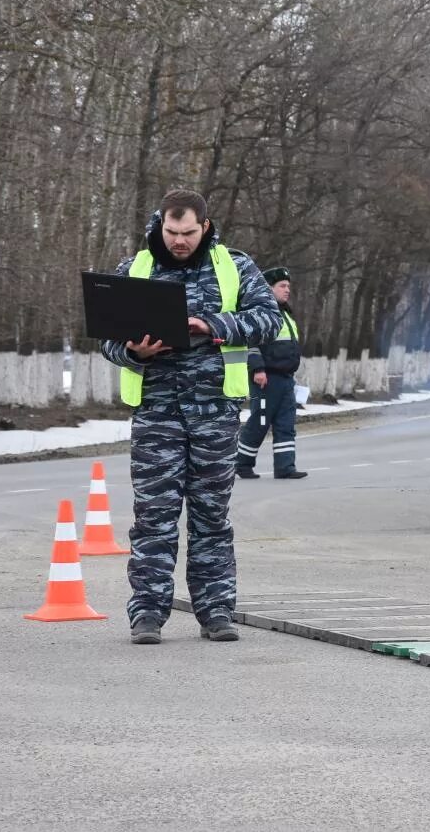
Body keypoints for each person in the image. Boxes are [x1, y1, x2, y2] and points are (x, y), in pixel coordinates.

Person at [100, 189, 282, 645]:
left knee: (211, 518)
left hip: (214, 413)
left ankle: (216, 611)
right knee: (154, 518)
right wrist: (132, 351)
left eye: (187, 233)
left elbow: (269, 319)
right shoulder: (134, 269)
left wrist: (214, 325)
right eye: (171, 231)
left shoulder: (234, 266)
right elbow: (105, 337)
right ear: (160, 224)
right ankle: (147, 614)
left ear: (205, 225)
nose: (179, 241)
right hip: (156, 413)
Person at [236, 267, 307, 480]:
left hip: (285, 381)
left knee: (286, 423)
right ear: (269, 288)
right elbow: (250, 343)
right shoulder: (261, 313)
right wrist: (257, 369)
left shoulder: (285, 314)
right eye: (282, 286)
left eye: (288, 286)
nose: (287, 290)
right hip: (266, 380)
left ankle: (285, 468)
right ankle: (242, 463)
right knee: (260, 420)